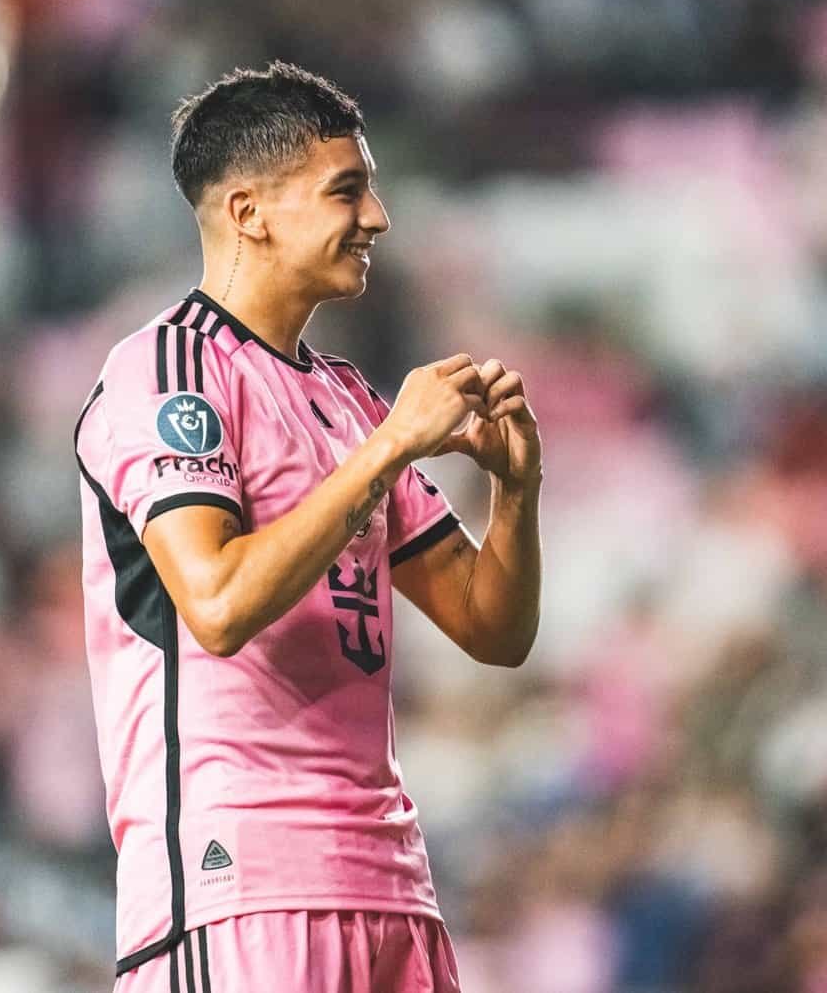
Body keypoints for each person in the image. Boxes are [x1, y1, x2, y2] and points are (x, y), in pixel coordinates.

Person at [74, 61, 542, 993]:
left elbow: (494, 629)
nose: (377, 218)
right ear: (250, 212)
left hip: (392, 885)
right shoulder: (168, 370)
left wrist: (518, 495)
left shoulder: (348, 400)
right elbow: (217, 600)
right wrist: (387, 451)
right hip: (239, 885)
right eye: (348, 189)